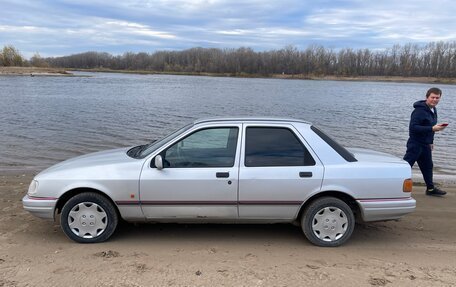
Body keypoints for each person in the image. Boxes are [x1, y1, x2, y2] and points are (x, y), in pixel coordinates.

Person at [403, 87, 448, 196]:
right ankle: (390, 185)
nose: (435, 100)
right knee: (405, 167)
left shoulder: (433, 109)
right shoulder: (419, 111)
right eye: (432, 97)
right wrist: (432, 129)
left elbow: (430, 126)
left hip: (425, 144)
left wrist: (431, 141)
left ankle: (430, 189)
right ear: (427, 97)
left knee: (428, 166)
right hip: (415, 144)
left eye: (437, 98)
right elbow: (413, 128)